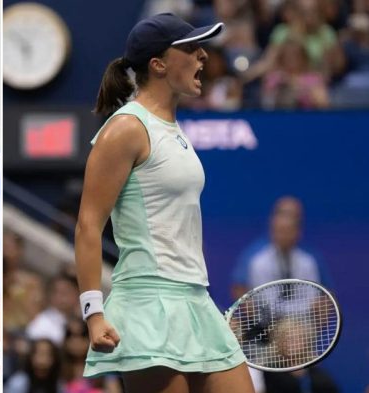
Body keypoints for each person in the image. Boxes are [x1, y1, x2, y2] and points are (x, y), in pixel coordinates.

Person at [74, 13, 255, 393]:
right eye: (191, 49)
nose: (203, 56)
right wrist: (93, 312)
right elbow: (88, 225)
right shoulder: (126, 128)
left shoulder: (173, 130)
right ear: (158, 65)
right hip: (146, 305)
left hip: (194, 298)